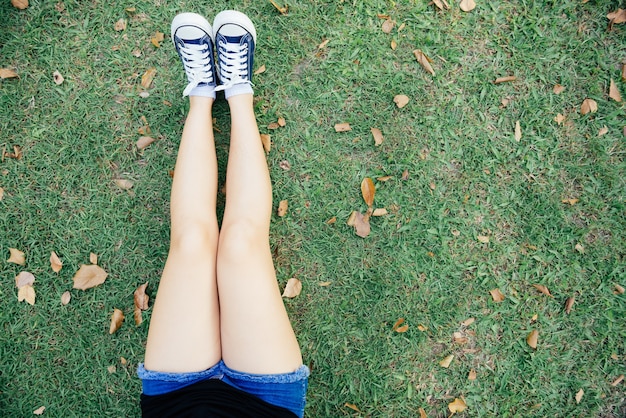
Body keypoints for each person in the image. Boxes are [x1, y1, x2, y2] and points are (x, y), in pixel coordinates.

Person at [136, 10, 309, 417]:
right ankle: (237, 90)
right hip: (262, 404)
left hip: (175, 402)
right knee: (241, 244)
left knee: (193, 242)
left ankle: (201, 92)